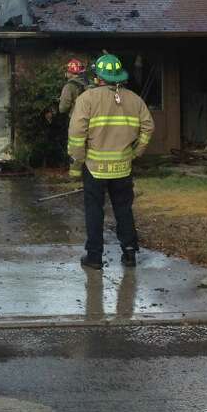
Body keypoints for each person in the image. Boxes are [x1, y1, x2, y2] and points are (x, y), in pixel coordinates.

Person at [68, 53, 155, 270]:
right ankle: (129, 253)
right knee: (124, 209)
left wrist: (77, 162)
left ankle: (94, 257)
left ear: (98, 76)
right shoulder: (134, 99)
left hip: (94, 168)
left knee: (94, 211)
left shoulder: (86, 99)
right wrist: (136, 152)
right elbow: (148, 127)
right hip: (123, 167)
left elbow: (77, 133)